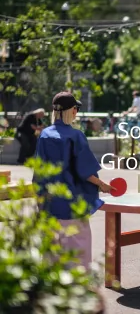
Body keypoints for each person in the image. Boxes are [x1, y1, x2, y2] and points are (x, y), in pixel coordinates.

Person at [34, 92, 115, 270]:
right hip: (72, 205)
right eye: (76, 109)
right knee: (78, 250)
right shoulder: (75, 136)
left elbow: (39, 171)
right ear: (72, 111)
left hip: (50, 204)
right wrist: (103, 185)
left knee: (51, 250)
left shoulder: (44, 135)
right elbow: (85, 171)